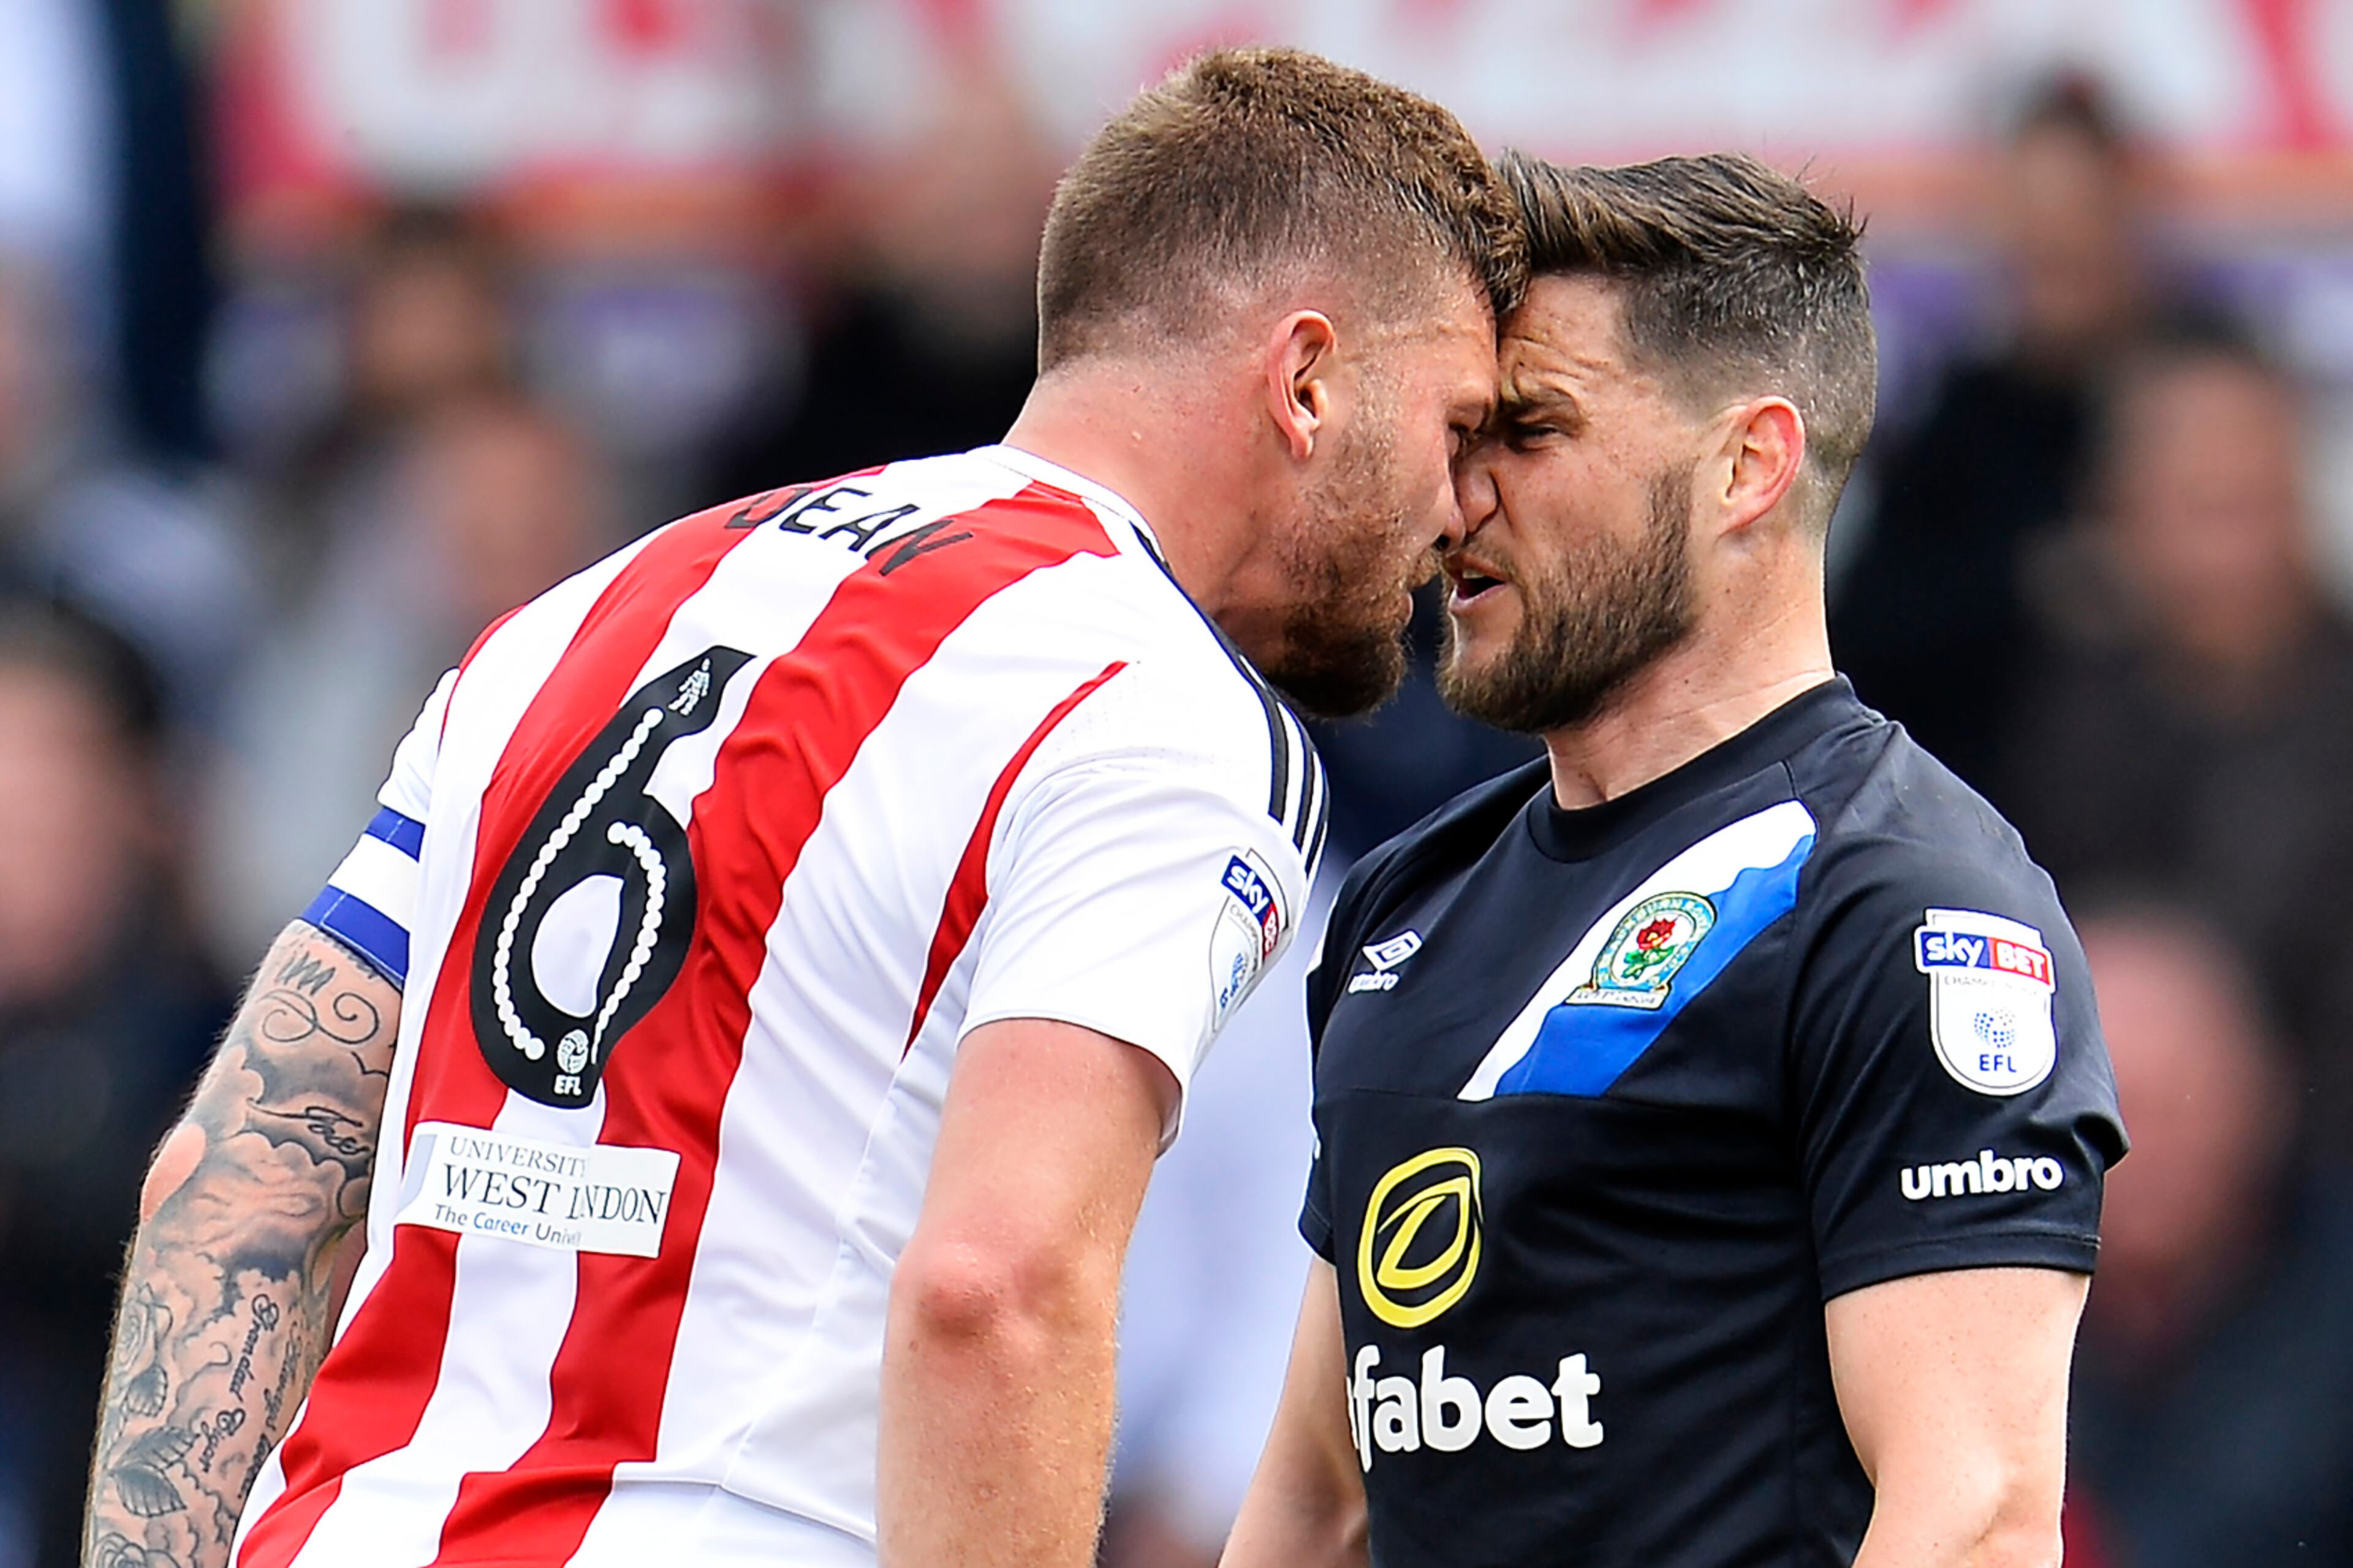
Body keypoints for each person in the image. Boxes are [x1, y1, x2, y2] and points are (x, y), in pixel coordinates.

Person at [82, 45, 1523, 1568]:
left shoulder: (592, 611)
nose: (1461, 507)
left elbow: (235, 1172)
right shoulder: (1155, 699)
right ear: (1305, 382)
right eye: (1453, 427)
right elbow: (996, 1292)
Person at [1224, 151, 2126, 1568]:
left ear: (1745, 464)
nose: (1456, 496)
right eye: (1460, 430)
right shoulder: (1405, 901)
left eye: (1526, 428)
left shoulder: (1903, 902)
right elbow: (1317, 1499)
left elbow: (1973, 1521)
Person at [1996, 328, 2353, 1144]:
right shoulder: (2054, 720)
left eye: (2252, 498)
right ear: (2117, 513)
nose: (2231, 556)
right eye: (2200, 504)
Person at [1832, 74, 2151, 793]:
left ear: (2124, 210)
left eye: (2076, 208)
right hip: (1989, 815)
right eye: (2031, 210)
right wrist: (2028, 584)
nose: (2053, 239)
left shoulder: (2195, 395)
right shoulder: (1960, 421)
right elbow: (1866, 640)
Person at [2063, 901, 2353, 1567]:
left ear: (2267, 1095)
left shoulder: (2335, 1296)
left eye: (2178, 1101)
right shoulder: (1963, 1316)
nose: (2141, 1148)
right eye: (2105, 1109)